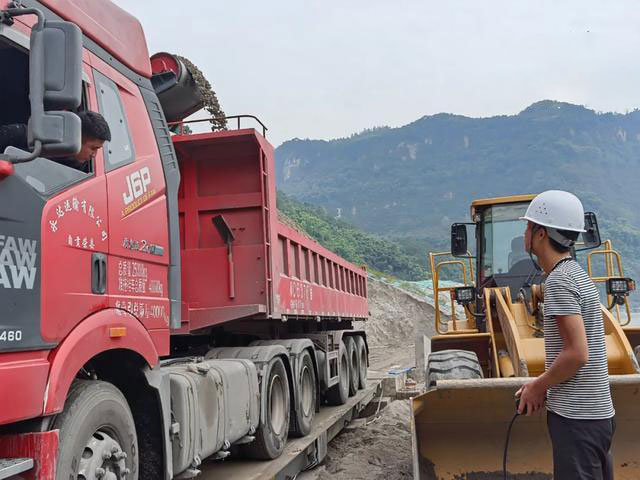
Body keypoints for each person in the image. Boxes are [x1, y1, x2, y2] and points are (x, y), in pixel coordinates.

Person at [516, 190, 615, 480]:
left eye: (528, 226)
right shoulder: (577, 274)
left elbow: (577, 354)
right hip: (597, 416)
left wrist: (538, 386)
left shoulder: (559, 281)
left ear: (541, 234)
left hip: (577, 420)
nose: (524, 233)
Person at [0, 111, 110, 173]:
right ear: (76, 138)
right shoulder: (28, 136)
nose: (94, 155)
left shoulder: (83, 174)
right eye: (93, 148)